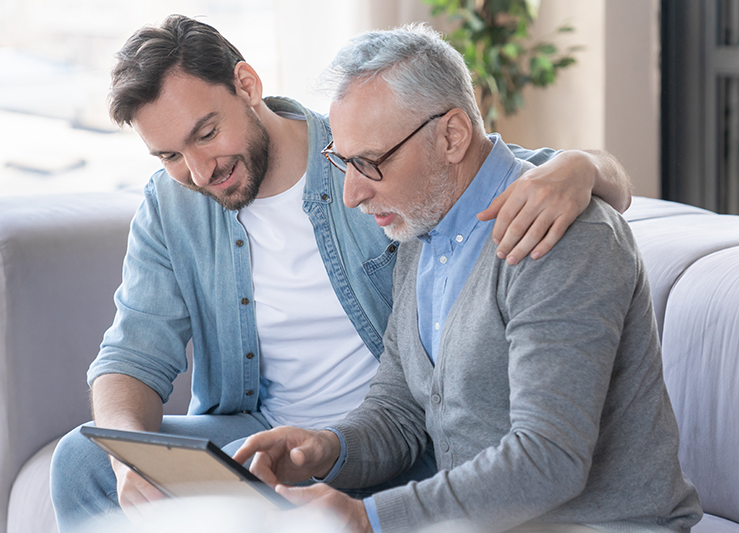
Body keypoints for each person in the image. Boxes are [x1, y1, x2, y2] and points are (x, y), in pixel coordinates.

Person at [49, 15, 634, 532]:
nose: (199, 171)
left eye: (205, 134)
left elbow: (495, 169)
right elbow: (131, 353)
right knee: (82, 461)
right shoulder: (176, 204)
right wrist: (133, 460)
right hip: (291, 441)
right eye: (171, 156)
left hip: (405, 447)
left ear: (247, 86)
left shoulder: (372, 153)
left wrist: (584, 166)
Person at [234, 23, 702, 533]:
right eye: (343, 163)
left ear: (452, 136)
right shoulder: (418, 227)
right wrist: (324, 448)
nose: (352, 195)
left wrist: (370, 518)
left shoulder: (559, 235)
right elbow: (400, 412)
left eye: (369, 164)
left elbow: (549, 459)